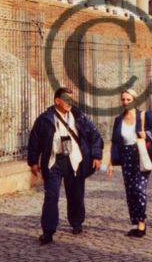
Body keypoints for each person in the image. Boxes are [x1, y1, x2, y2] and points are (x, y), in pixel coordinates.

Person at [27, 87, 103, 245]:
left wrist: (96, 155)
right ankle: (48, 231)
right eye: (66, 99)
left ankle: (76, 222)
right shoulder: (45, 119)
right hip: (54, 161)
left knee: (76, 193)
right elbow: (34, 140)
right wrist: (33, 162)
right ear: (57, 101)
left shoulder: (78, 116)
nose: (70, 102)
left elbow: (94, 134)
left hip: (74, 160)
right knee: (51, 196)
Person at [107, 89, 152, 237]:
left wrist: (147, 134)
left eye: (128, 99)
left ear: (135, 100)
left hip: (140, 154)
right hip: (126, 156)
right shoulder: (119, 119)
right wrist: (111, 162)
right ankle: (135, 222)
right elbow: (115, 142)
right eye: (123, 100)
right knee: (130, 190)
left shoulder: (144, 115)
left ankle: (141, 223)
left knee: (139, 189)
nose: (125, 102)